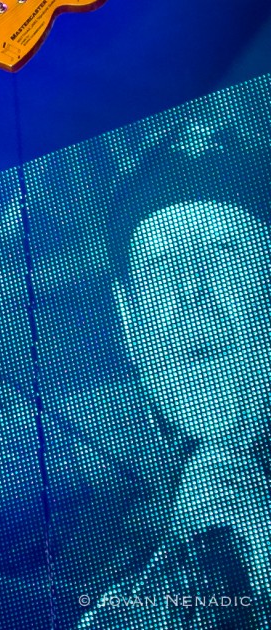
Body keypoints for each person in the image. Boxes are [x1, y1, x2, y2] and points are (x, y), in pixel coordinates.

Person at [77, 123, 270, 629]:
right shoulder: (110, 586)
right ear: (130, 321)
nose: (191, 296)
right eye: (163, 268)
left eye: (224, 254)